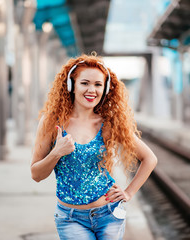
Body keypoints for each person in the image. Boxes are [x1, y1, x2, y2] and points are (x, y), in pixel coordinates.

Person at [31, 53, 157, 240]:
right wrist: (56, 153)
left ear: (105, 89)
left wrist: (128, 192)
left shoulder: (109, 123)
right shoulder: (51, 122)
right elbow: (36, 175)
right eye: (85, 83)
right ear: (71, 85)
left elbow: (150, 158)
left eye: (98, 84)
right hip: (70, 219)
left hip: (109, 215)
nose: (92, 90)